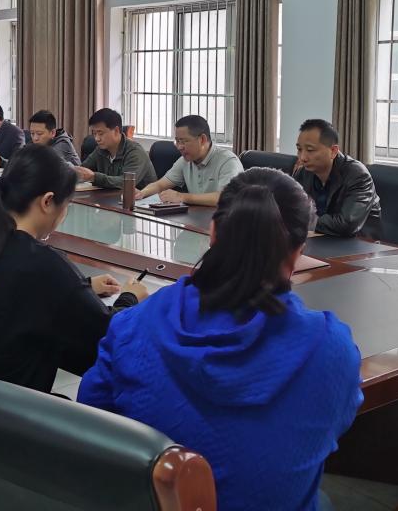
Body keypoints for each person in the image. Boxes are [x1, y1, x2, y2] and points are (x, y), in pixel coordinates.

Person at [77, 168, 363, 511]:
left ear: (212, 233)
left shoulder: (135, 323)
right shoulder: (330, 348)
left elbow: (92, 419)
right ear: (298, 253)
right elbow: (333, 424)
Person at [0, 143, 149, 392]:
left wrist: (84, 286)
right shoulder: (43, 263)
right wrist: (130, 298)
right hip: (5, 409)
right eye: (66, 205)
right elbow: (107, 338)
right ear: (47, 201)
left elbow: (10, 291)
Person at [293, 118, 382, 238]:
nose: (302, 157)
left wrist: (302, 219)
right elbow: (287, 207)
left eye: (310, 150)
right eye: (299, 149)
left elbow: (346, 224)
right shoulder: (303, 173)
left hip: (359, 243)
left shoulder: (358, 175)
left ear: (333, 151)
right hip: (320, 238)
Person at [136, 115, 243, 206]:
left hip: (224, 220)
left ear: (202, 139)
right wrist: (141, 193)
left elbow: (225, 197)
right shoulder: (185, 160)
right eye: (177, 141)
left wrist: (182, 197)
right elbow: (160, 185)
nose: (179, 147)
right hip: (196, 217)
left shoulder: (228, 161)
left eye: (184, 141)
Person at [74, 108, 157, 190]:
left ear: (116, 131)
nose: (97, 139)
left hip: (142, 198)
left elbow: (125, 183)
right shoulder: (100, 150)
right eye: (94, 134)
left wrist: (94, 177)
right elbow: (83, 170)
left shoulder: (135, 152)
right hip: (111, 196)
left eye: (100, 133)